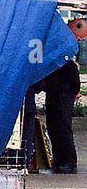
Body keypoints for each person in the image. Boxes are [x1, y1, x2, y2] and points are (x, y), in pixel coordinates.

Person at [28, 17, 87, 175]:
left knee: (61, 125)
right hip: (57, 89)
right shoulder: (63, 43)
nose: (80, 39)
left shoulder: (62, 46)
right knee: (56, 125)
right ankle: (62, 159)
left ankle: (67, 161)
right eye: (80, 36)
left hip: (62, 90)